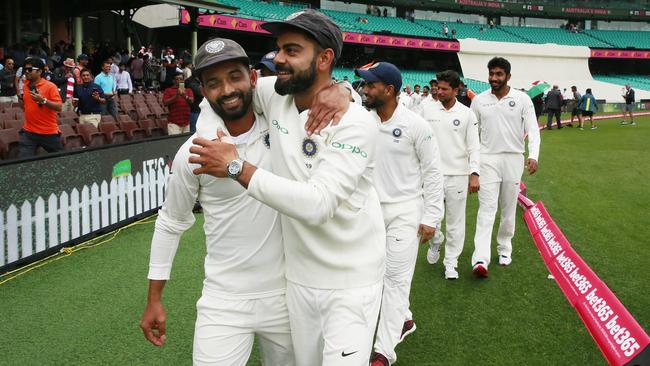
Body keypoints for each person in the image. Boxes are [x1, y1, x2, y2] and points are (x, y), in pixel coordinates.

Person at [189, 10, 385, 366]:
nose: (278, 58)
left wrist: (235, 167)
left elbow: (318, 204)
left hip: (351, 283)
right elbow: (215, 98)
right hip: (297, 280)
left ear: (325, 59)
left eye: (292, 50)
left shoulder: (355, 123)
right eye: (278, 49)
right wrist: (210, 138)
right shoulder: (274, 93)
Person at [140, 38, 294, 366]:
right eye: (213, 83)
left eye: (235, 77)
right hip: (223, 300)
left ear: (253, 77)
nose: (226, 90)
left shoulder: (285, 129)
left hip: (287, 295)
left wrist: (340, 91)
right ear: (203, 92)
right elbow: (170, 222)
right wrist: (154, 298)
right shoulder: (193, 154)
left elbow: (312, 88)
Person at [355, 62, 443, 366]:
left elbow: (433, 172)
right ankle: (404, 319)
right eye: (364, 86)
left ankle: (383, 352)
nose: (365, 90)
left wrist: (431, 216)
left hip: (405, 211)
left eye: (371, 85)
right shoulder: (361, 122)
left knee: (395, 280)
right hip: (369, 212)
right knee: (371, 277)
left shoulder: (416, 125)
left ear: (389, 90)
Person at [470, 57, 540, 277]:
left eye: (499, 74)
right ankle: (480, 258)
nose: (494, 78)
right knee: (486, 210)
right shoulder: (479, 100)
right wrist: (473, 167)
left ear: (508, 76)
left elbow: (533, 129)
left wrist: (534, 155)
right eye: (491, 74)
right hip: (487, 159)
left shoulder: (522, 99)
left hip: (513, 158)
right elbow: (472, 135)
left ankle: (504, 248)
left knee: (508, 208)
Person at [420, 70, 480, 280]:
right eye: (438, 87)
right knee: (429, 217)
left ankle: (451, 263)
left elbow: (474, 147)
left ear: (456, 89)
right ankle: (436, 240)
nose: (440, 91)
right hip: (431, 174)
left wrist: (474, 173)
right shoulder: (426, 109)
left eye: (445, 89)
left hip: (458, 174)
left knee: (456, 221)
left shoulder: (467, 113)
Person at [18, 57, 63, 158]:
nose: (26, 72)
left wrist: (43, 100)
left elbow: (59, 107)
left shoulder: (50, 86)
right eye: (25, 69)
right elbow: (24, 107)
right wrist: (20, 98)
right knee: (23, 162)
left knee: (61, 160)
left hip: (48, 132)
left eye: (29, 69)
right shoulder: (25, 86)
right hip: (28, 132)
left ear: (39, 71)